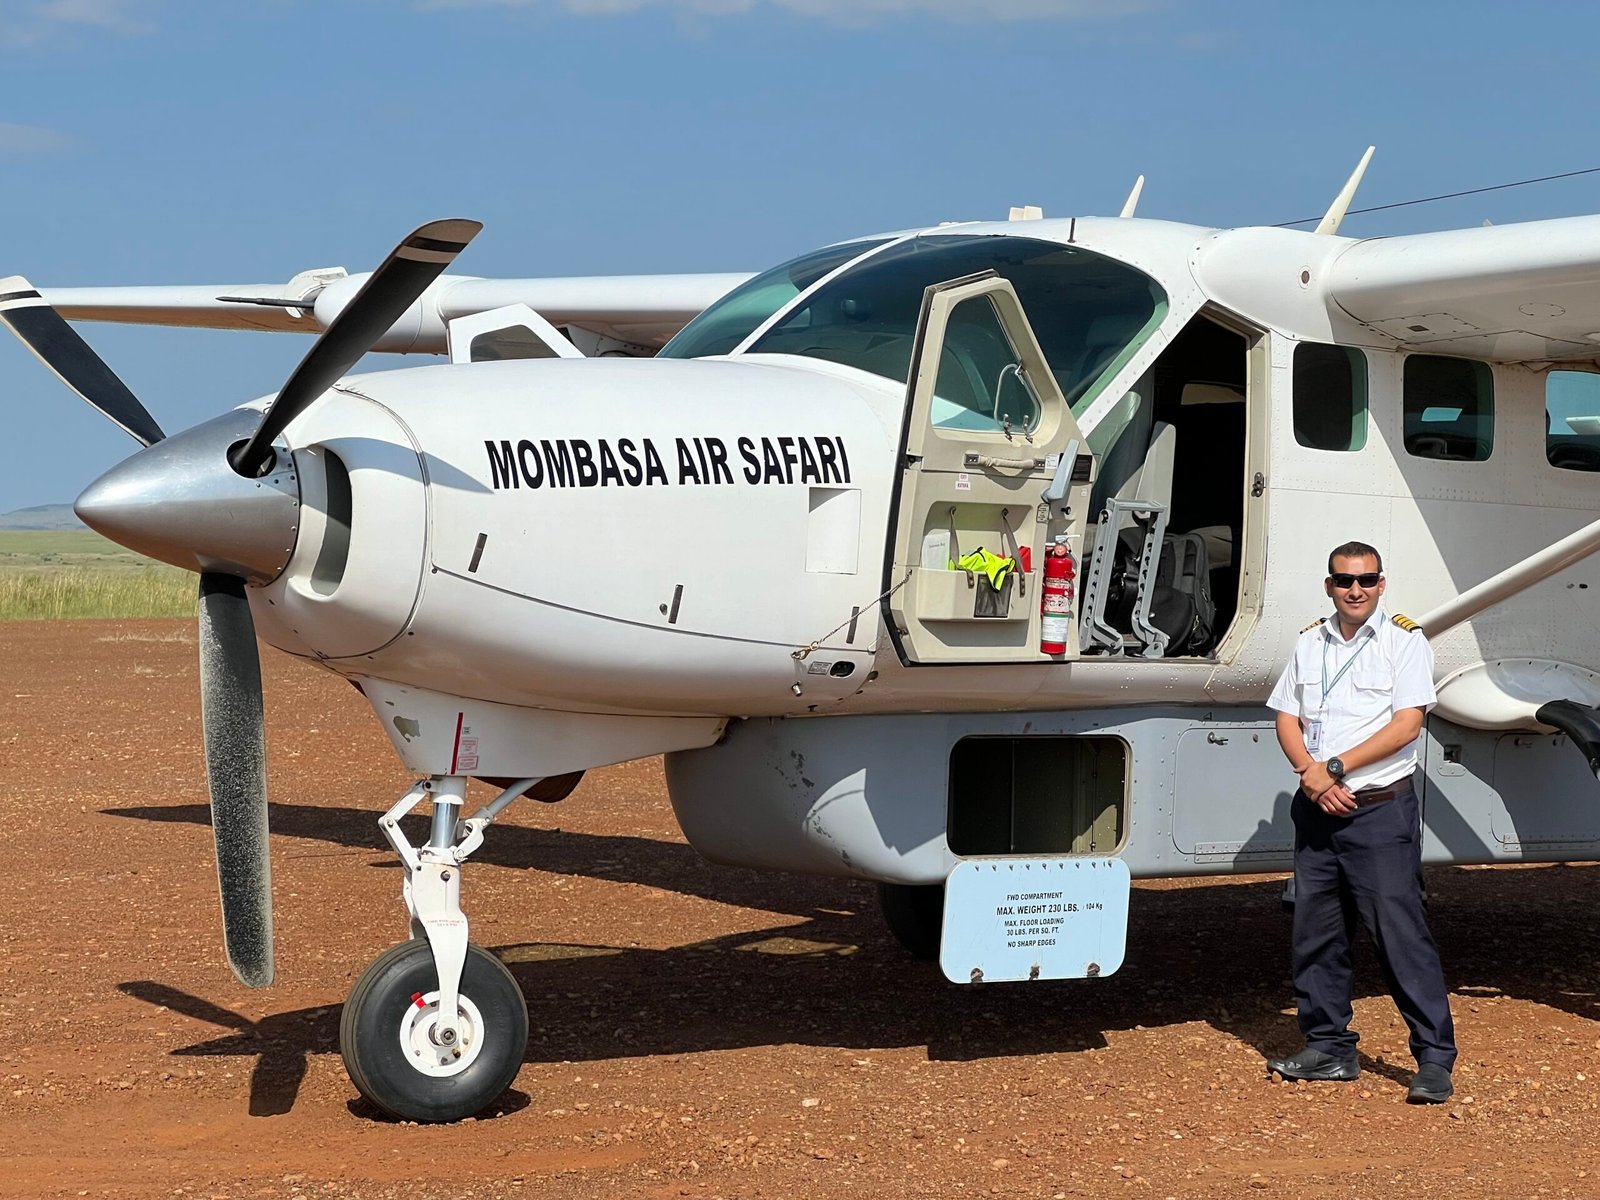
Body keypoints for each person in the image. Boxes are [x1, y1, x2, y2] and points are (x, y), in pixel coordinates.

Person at [1263, 541, 1456, 1104]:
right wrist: (1309, 774)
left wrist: (1336, 769)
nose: (1356, 590)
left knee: (1400, 936)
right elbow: (1286, 713)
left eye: (1367, 580)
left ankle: (1433, 1060)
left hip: (1376, 811)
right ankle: (1327, 1048)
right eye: (1345, 580)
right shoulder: (1308, 641)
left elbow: (1407, 725)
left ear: (1382, 583)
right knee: (1316, 935)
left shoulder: (1404, 640)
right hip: (1318, 808)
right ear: (1329, 585)